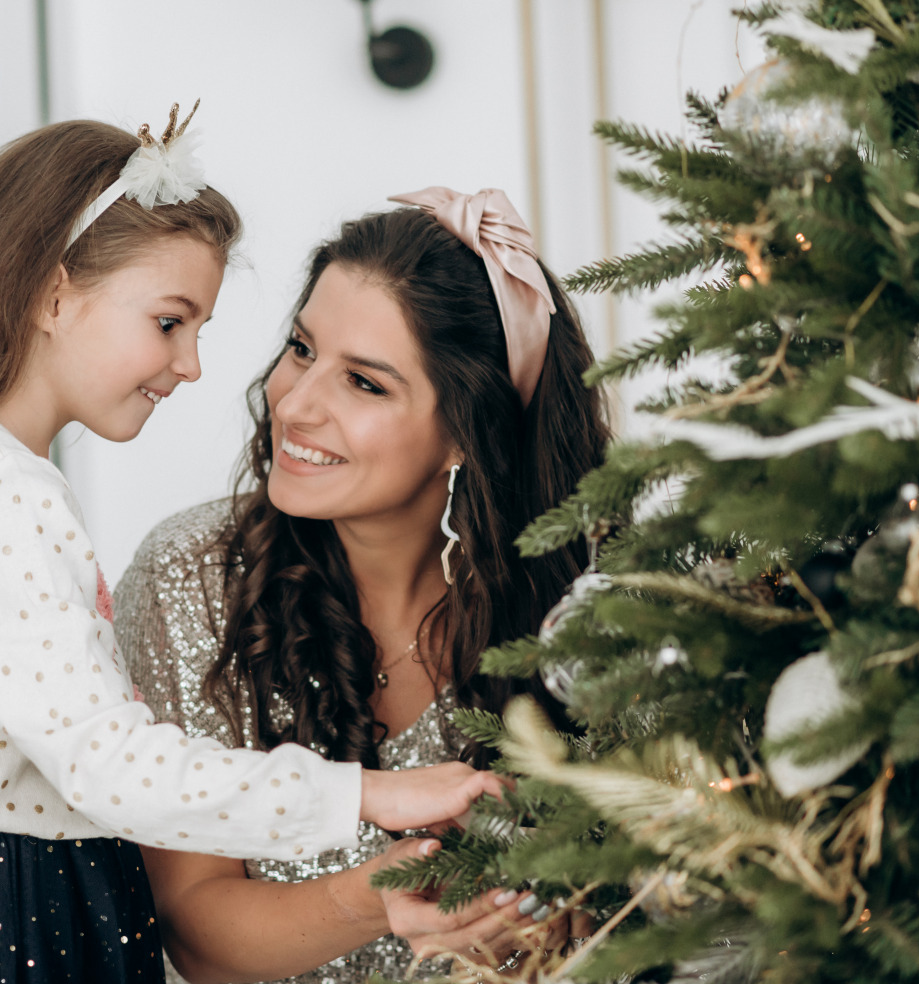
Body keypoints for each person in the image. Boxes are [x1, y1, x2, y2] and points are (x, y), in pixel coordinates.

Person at [0, 113, 503, 984]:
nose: (196, 365)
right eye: (170, 322)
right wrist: (372, 793)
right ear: (53, 297)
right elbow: (110, 765)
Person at [114, 189, 610, 982]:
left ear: (464, 434)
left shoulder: (599, 604)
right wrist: (384, 896)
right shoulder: (191, 577)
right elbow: (197, 938)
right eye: (302, 349)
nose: (296, 402)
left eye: (365, 384)